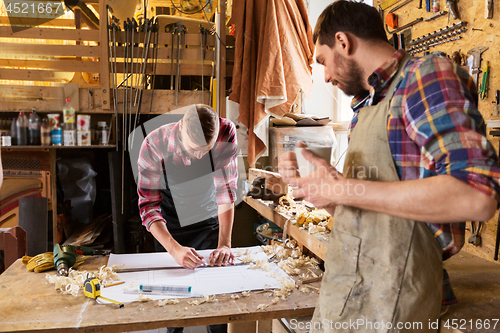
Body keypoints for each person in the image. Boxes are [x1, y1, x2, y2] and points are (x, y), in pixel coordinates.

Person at [278, 1, 500, 331]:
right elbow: (374, 214)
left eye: (323, 61)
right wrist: (330, 197)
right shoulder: (366, 108)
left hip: (395, 302)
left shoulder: (426, 77)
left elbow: (477, 196)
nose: (325, 76)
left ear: (343, 41)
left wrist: (345, 188)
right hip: (350, 292)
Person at [137, 104, 238, 333]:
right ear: (181, 129)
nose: (201, 156)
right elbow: (149, 208)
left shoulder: (225, 131)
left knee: (217, 302)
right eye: (195, 149)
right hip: (169, 226)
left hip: (208, 219)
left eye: (207, 150)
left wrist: (225, 244)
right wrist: (174, 250)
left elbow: (226, 191)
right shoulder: (154, 145)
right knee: (174, 306)